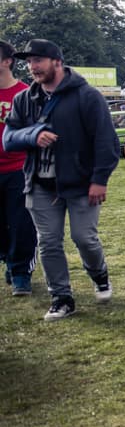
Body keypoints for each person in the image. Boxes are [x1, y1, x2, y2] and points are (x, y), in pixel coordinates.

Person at [2, 39, 119, 320]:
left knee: (84, 238)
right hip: (40, 185)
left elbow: (106, 142)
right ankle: (61, 298)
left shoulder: (87, 96)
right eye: (29, 62)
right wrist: (34, 135)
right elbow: (9, 139)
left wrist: (99, 180)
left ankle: (99, 275)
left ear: (56, 61)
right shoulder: (24, 99)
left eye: (38, 60)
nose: (32, 67)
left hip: (81, 184)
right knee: (49, 242)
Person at [0, 41, 38, 296]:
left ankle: (21, 272)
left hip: (19, 169)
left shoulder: (24, 94)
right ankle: (8, 258)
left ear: (7, 61)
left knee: (21, 224)